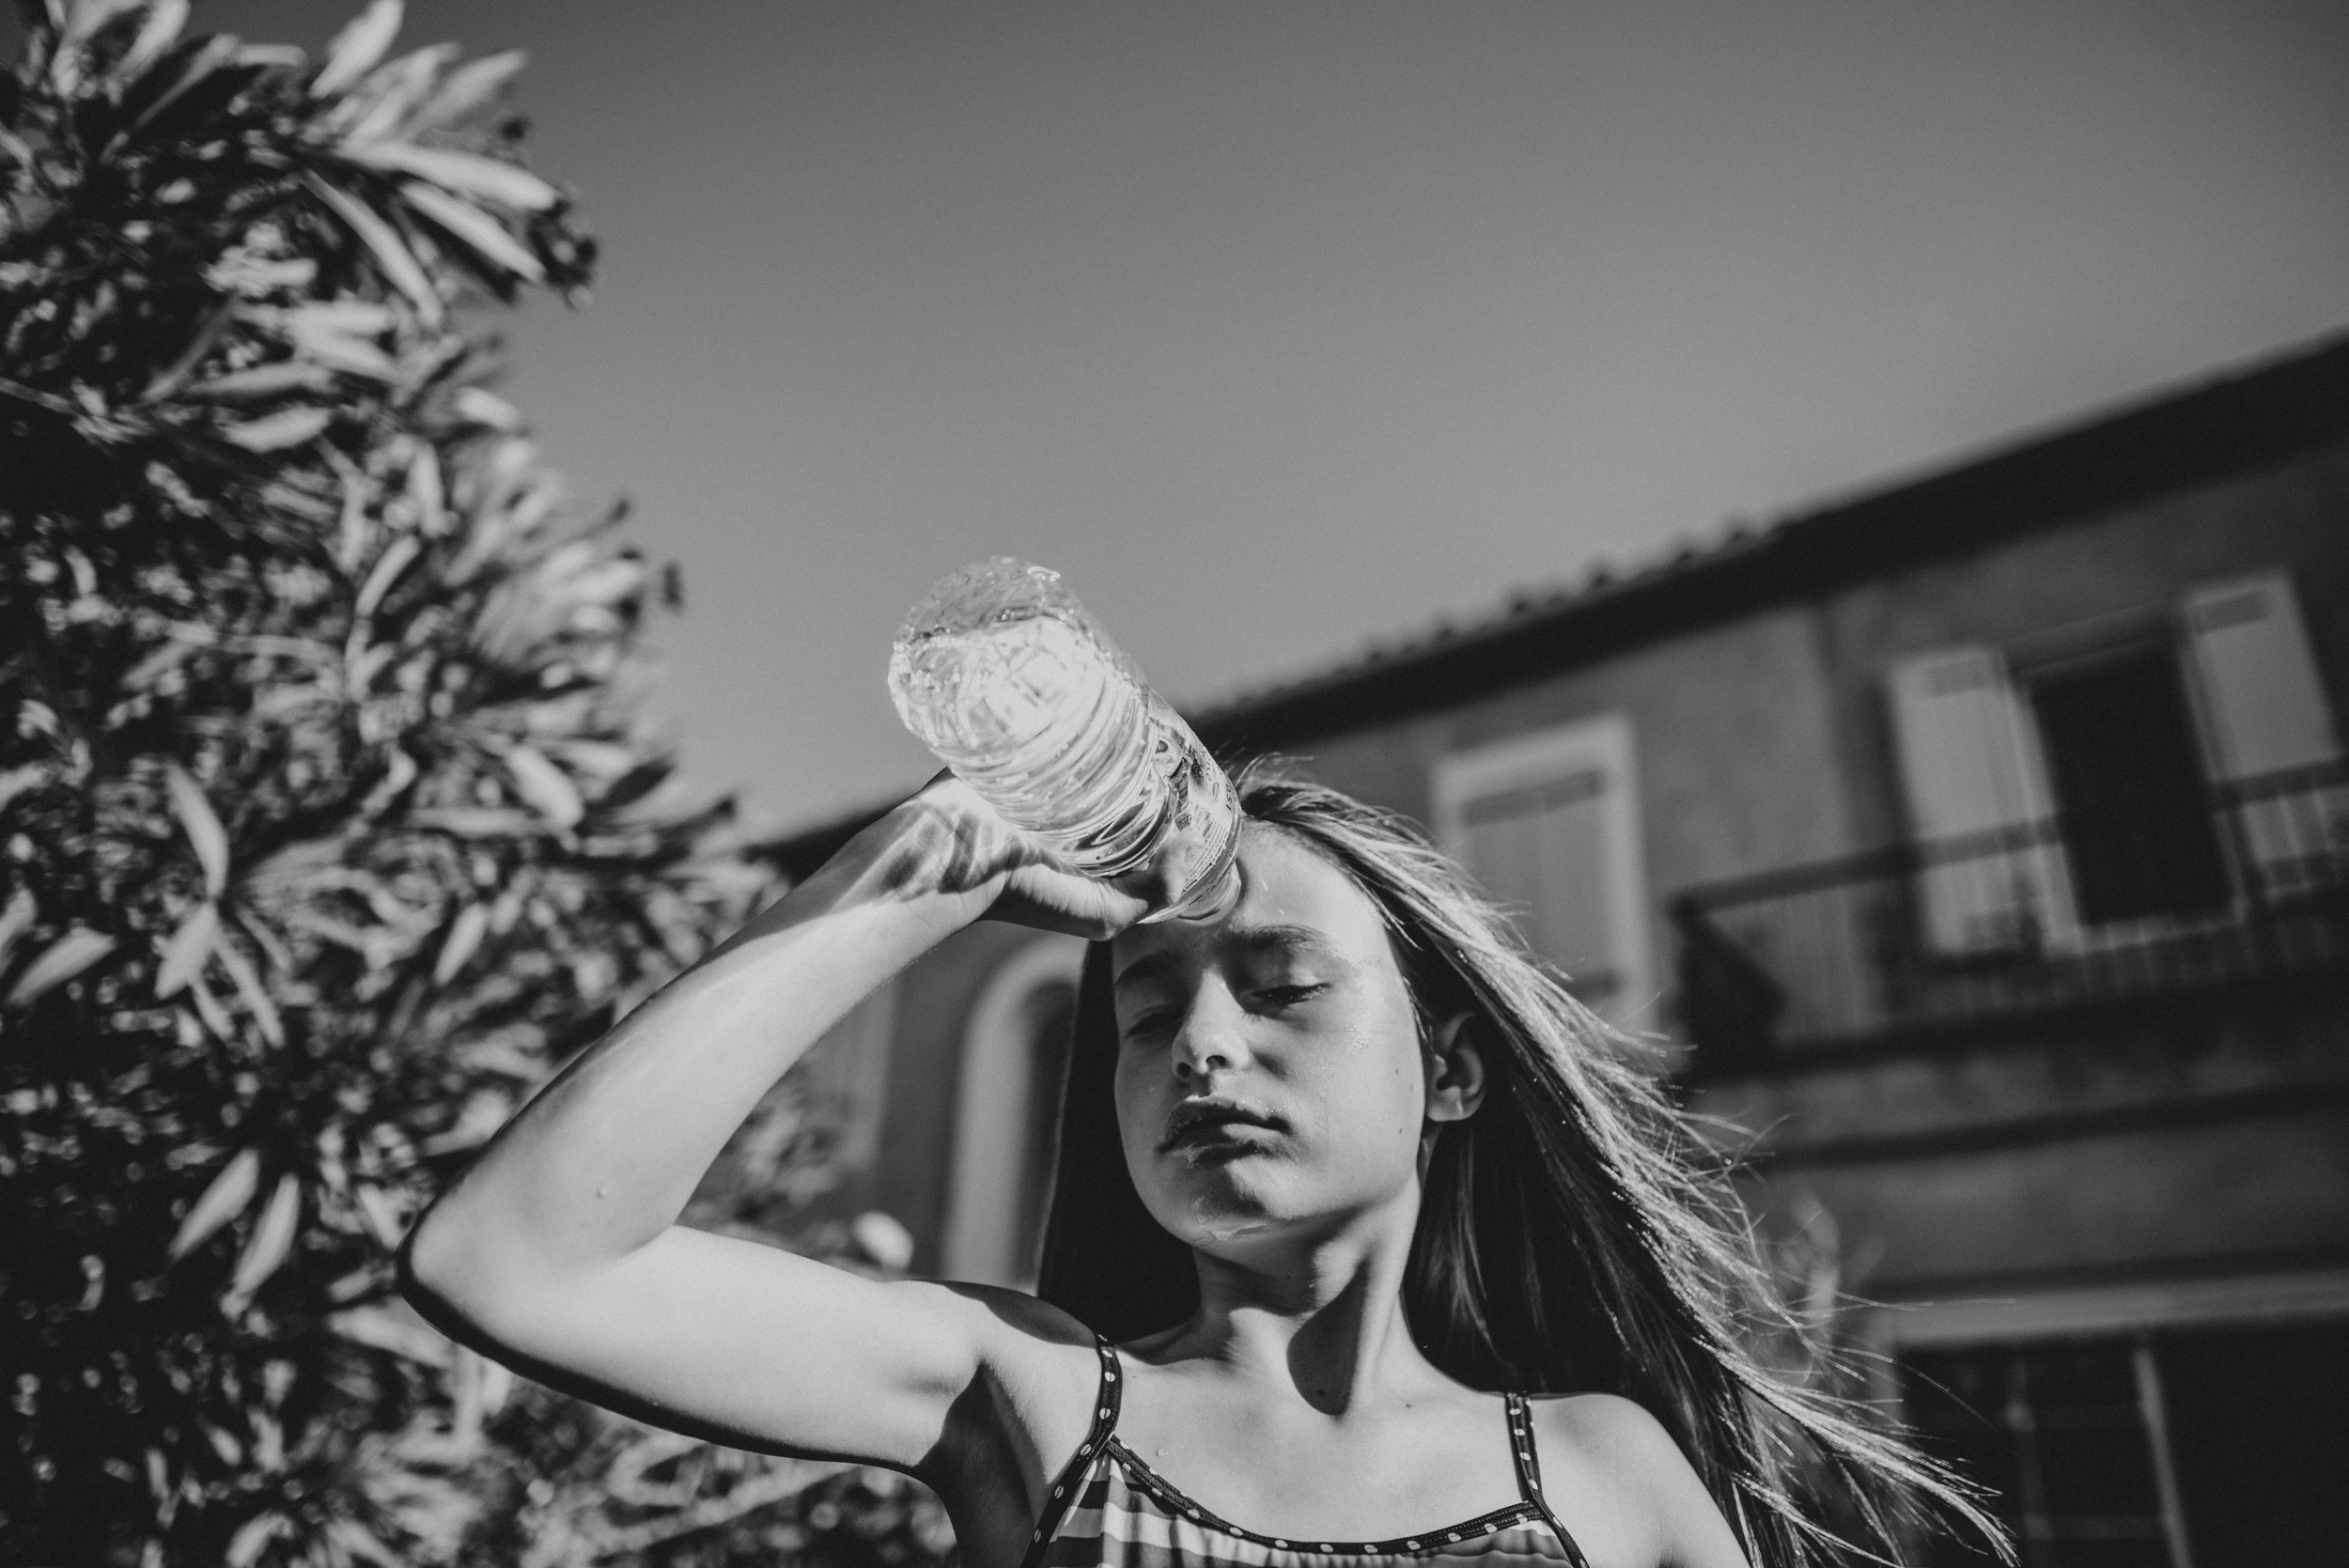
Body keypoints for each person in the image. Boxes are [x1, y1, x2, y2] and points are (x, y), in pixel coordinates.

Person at [401, 762, 2001, 1568]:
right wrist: (912, 877)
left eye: (1282, 983)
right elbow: (516, 1258)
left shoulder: (1597, 1475)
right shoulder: (1028, 1395)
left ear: (1447, 1066)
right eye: (1145, 1012)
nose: (1199, 1048)